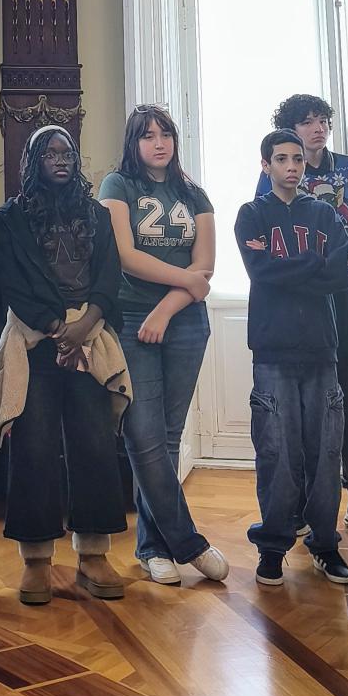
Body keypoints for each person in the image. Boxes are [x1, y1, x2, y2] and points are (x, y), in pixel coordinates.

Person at [0, 125, 130, 606]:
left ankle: (93, 554)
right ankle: (36, 559)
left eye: (66, 152)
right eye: (48, 153)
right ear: (33, 163)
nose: (60, 159)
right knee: (35, 447)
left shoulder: (97, 214)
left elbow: (109, 276)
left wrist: (84, 324)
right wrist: (56, 328)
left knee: (94, 444)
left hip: (90, 339)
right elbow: (11, 285)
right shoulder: (9, 219)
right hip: (36, 344)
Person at [99, 107, 228, 586]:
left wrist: (167, 309)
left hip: (184, 321)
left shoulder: (194, 193)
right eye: (148, 136)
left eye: (166, 134)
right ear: (133, 143)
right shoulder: (117, 185)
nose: (159, 143)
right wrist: (185, 284)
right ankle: (188, 543)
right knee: (143, 436)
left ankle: (152, 547)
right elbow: (125, 256)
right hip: (132, 319)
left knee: (168, 438)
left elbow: (205, 265)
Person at [256, 94, 348, 545]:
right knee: (299, 407)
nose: (318, 129)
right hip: (298, 300)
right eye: (307, 122)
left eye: (323, 121)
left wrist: (334, 271)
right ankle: (301, 505)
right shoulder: (276, 172)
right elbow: (270, 242)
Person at [235, 130, 348, 589]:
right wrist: (312, 264)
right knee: (277, 453)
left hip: (322, 350)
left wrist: (288, 270)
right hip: (272, 351)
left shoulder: (325, 214)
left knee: (325, 455)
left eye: (298, 160)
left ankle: (325, 544)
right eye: (281, 159)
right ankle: (273, 547)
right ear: (265, 165)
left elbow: (340, 275)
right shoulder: (251, 215)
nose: (291, 167)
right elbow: (260, 272)